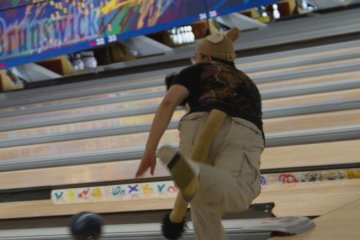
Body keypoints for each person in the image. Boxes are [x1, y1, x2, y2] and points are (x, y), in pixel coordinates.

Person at [135, 27, 265, 240]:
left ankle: (195, 174)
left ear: (205, 57)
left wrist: (149, 150)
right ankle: (197, 174)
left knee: (203, 202)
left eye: (195, 57)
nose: (194, 61)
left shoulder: (194, 71)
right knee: (238, 193)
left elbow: (168, 102)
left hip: (195, 125)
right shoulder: (247, 82)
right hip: (241, 128)